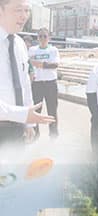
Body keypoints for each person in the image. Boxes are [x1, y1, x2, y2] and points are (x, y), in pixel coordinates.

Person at [0, 0, 53, 147]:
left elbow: (25, 85)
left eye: (27, 10)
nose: (24, 16)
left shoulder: (19, 44)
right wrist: (22, 114)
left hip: (17, 127)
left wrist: (28, 122)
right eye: (18, 10)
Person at [28, 27, 58, 138]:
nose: (43, 38)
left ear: (49, 37)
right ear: (37, 38)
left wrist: (39, 64)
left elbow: (54, 65)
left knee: (52, 110)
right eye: (40, 36)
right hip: (37, 84)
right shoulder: (32, 50)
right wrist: (36, 67)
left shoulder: (53, 50)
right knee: (36, 110)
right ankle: (35, 134)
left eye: (45, 36)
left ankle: (53, 134)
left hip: (50, 83)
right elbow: (29, 64)